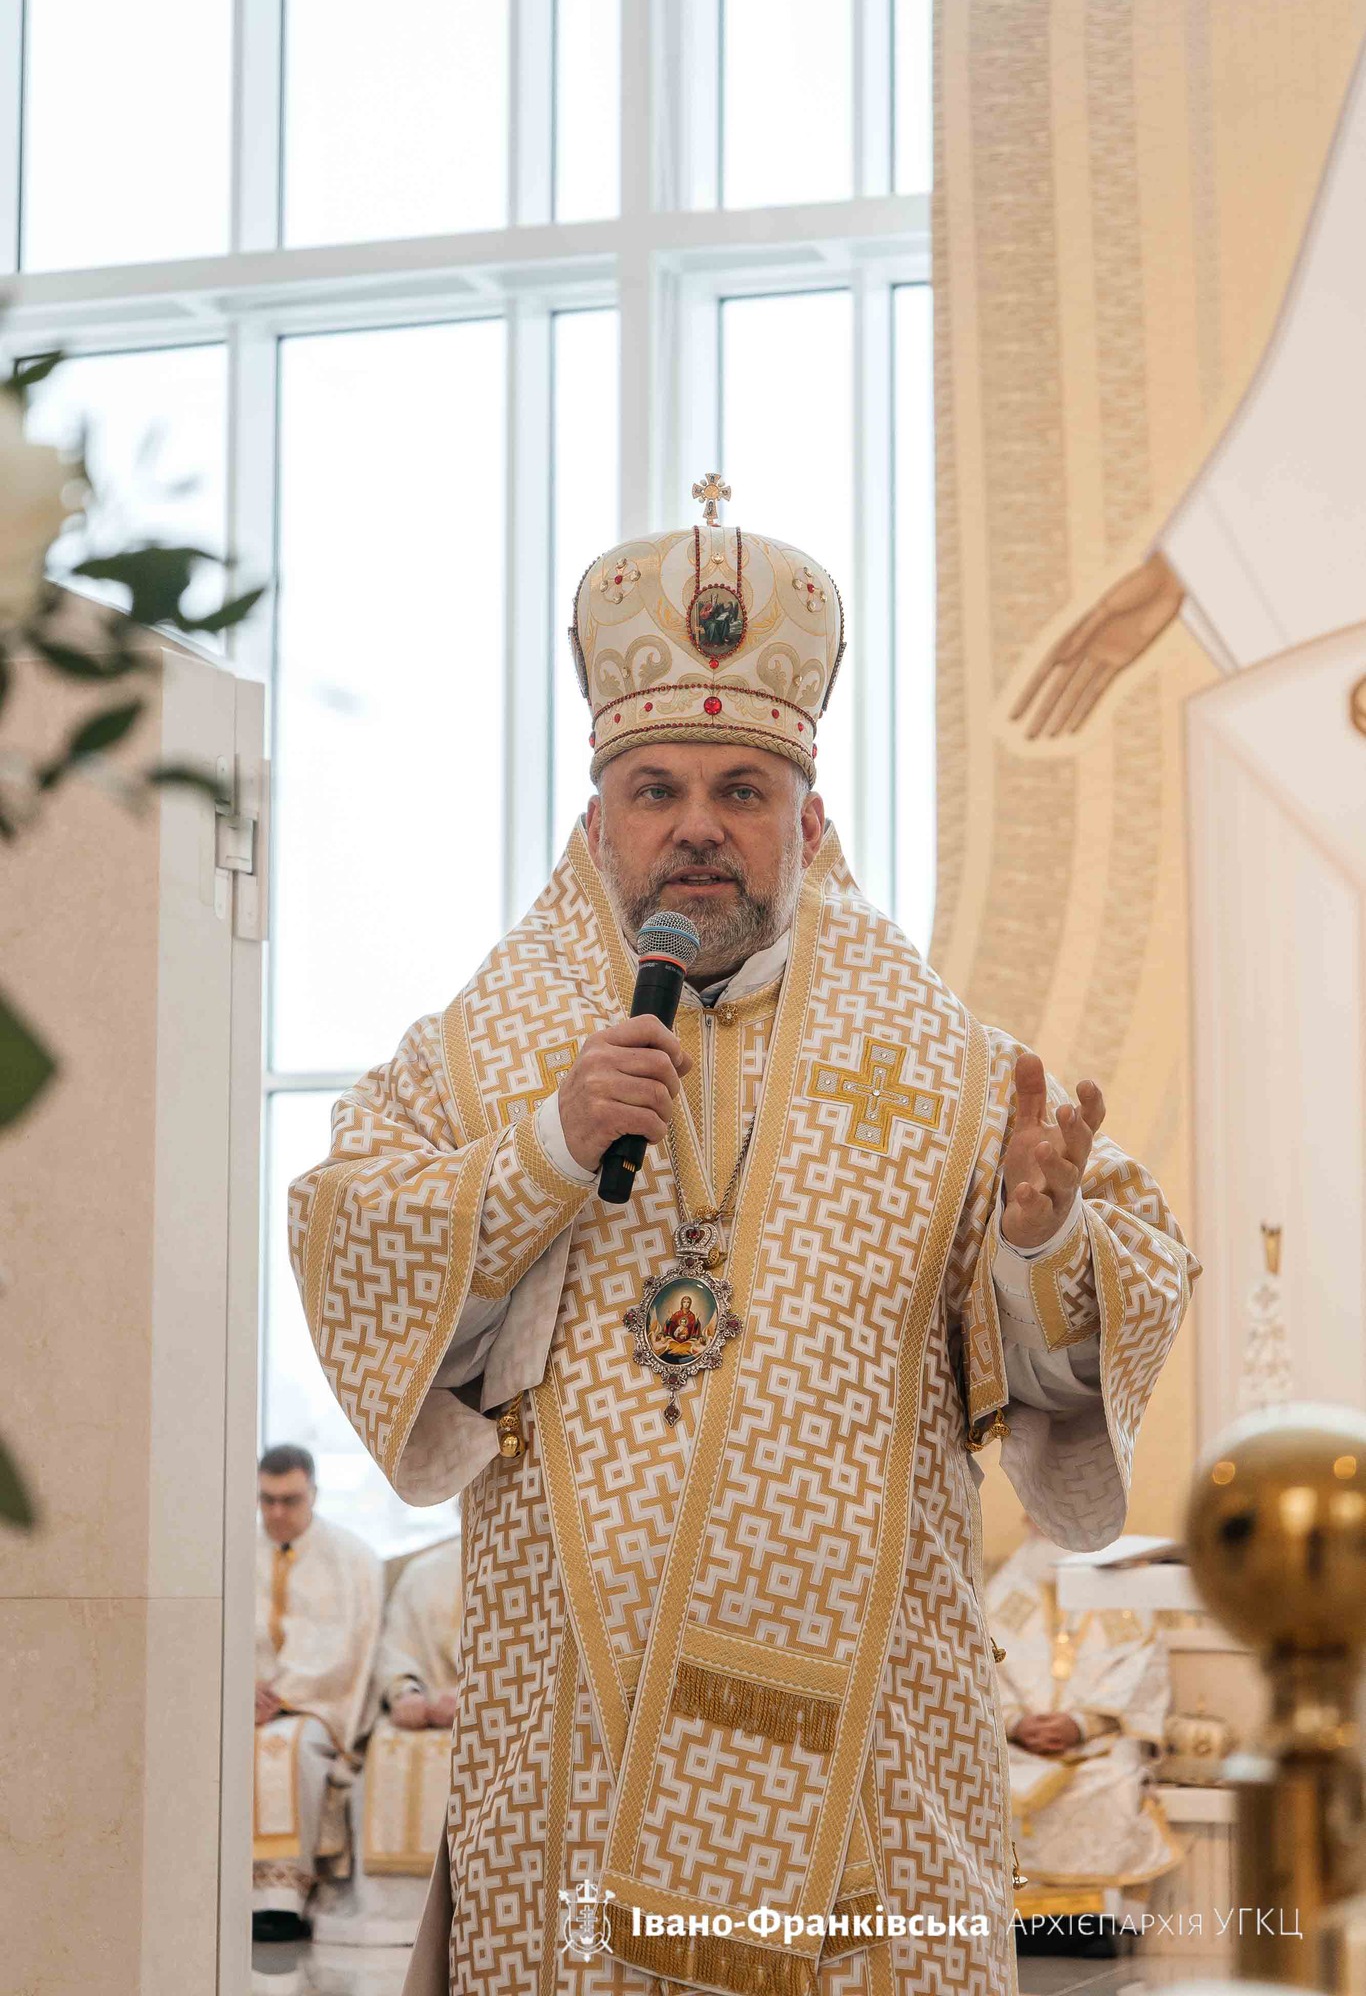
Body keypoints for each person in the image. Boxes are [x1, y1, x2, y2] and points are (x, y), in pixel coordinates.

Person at [288, 488, 1198, 1995]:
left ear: (808, 822)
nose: (697, 825)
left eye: (741, 788)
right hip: (573, 1750)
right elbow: (351, 1246)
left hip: (871, 1754)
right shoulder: (471, 1067)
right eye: (654, 789)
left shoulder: (960, 1077)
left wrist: (1042, 1250)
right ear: (597, 823)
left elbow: (1074, 1362)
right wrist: (543, 1151)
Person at [989, 1526, 1178, 1937]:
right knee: (988, 1781)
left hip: (1097, 1741)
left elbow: (1142, 1665)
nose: (1050, 1530)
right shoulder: (1004, 1591)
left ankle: (1104, 1926)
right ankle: (1011, 1924)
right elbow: (981, 1661)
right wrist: (1015, 1722)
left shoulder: (1123, 1589)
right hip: (1015, 1742)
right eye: (1040, 1519)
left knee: (1115, 1781)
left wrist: (1079, 1724)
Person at [253, 1444, 382, 1942]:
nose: (276, 1513)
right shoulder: (231, 1550)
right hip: (236, 1700)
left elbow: (349, 1649)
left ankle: (279, 1901)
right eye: (266, 1500)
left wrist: (279, 1697)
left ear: (314, 1494)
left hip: (313, 1706)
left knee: (283, 1747)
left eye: (290, 1500)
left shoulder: (350, 1558)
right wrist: (237, 1689)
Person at [358, 1537, 463, 1885]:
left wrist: (473, 1700)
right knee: (384, 1755)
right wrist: (405, 1691)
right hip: (424, 1707)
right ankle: (389, 1909)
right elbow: (396, 1648)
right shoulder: (424, 1571)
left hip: (499, 1717)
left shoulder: (537, 1564)